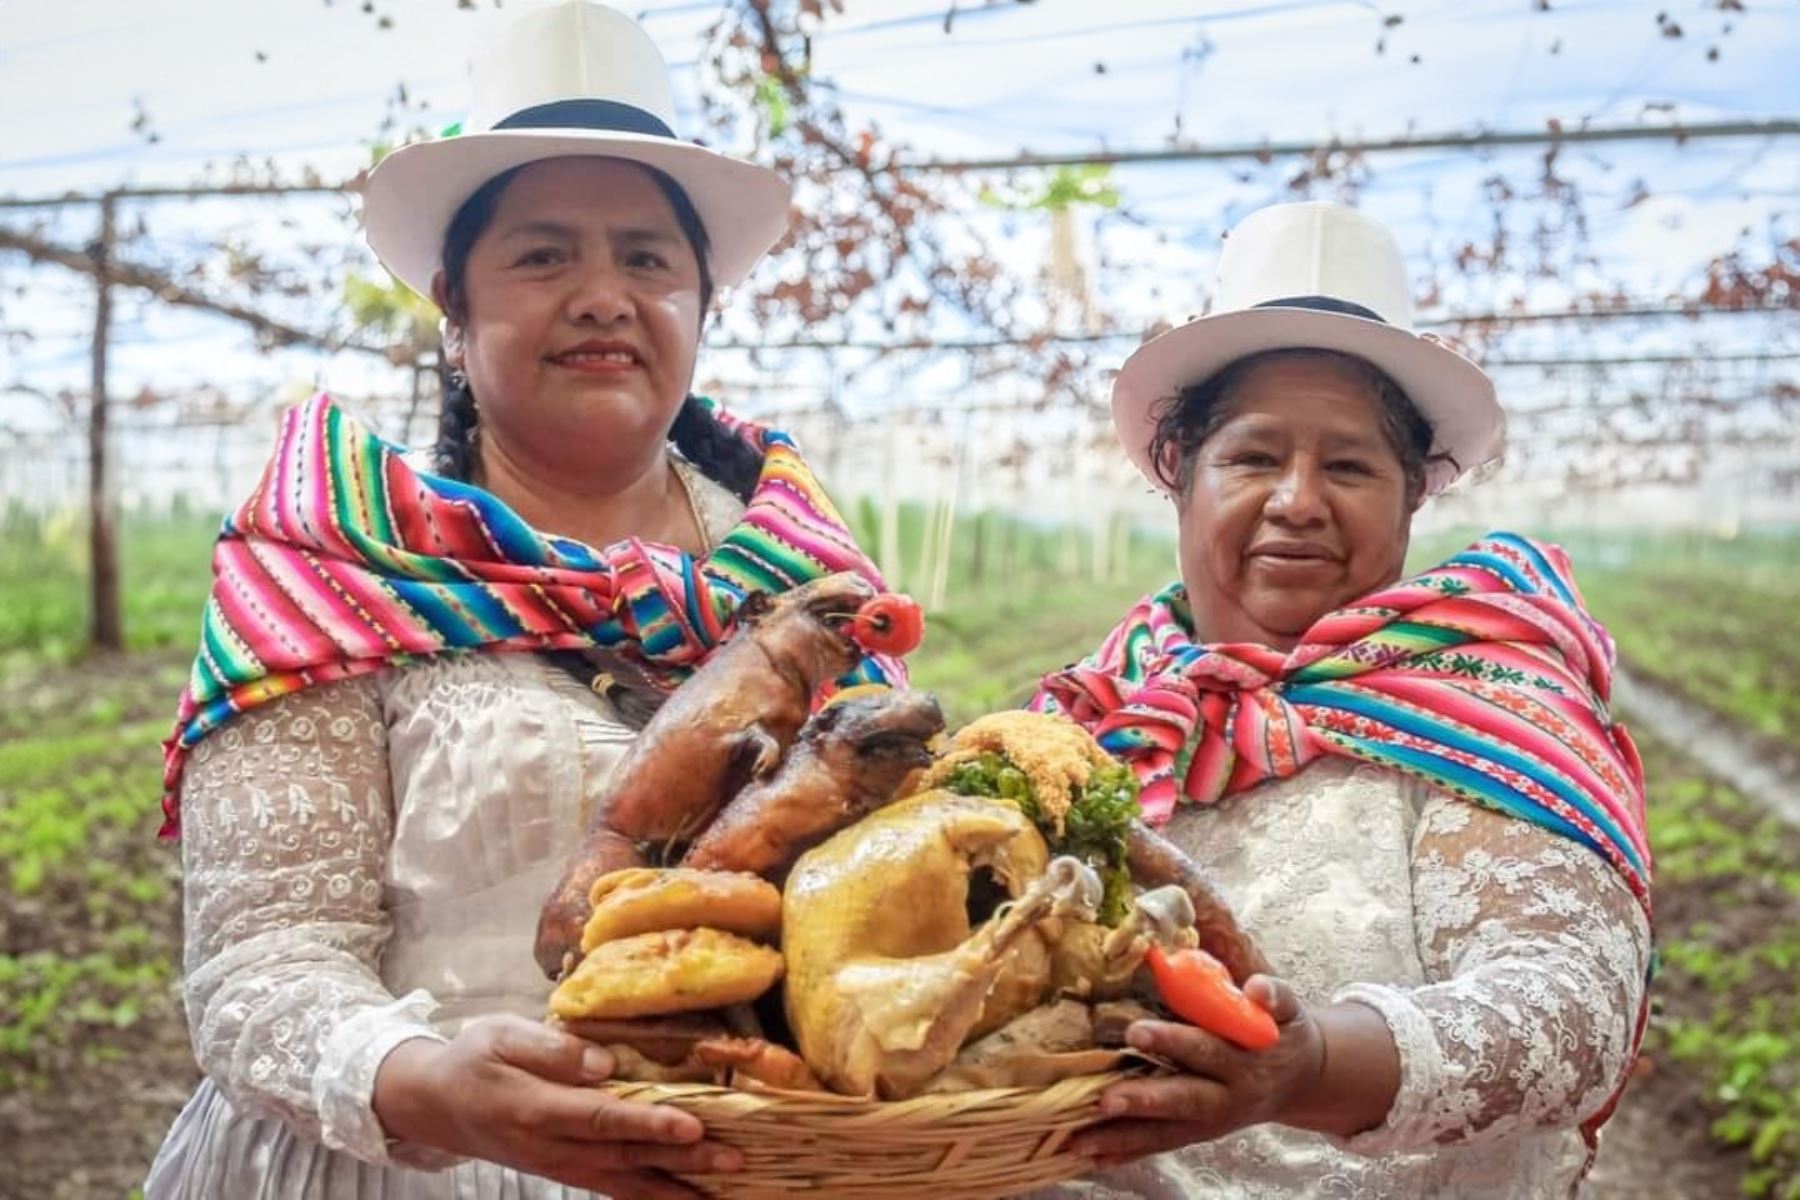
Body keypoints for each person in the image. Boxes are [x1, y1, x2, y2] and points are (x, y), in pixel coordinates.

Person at [144, 5, 897, 1197]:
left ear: (704, 307)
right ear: (455, 310)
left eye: (647, 259)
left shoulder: (807, 581)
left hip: (748, 1153)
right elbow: (260, 961)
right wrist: (420, 1081)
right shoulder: (341, 558)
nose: (603, 295)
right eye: (544, 255)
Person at [1031, 201, 1653, 1198]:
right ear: (1179, 478)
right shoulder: (1096, 718)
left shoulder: (1480, 703)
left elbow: (1572, 1008)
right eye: (1254, 456)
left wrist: (1310, 1067)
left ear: (1413, 500)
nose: (1298, 499)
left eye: (1351, 466)